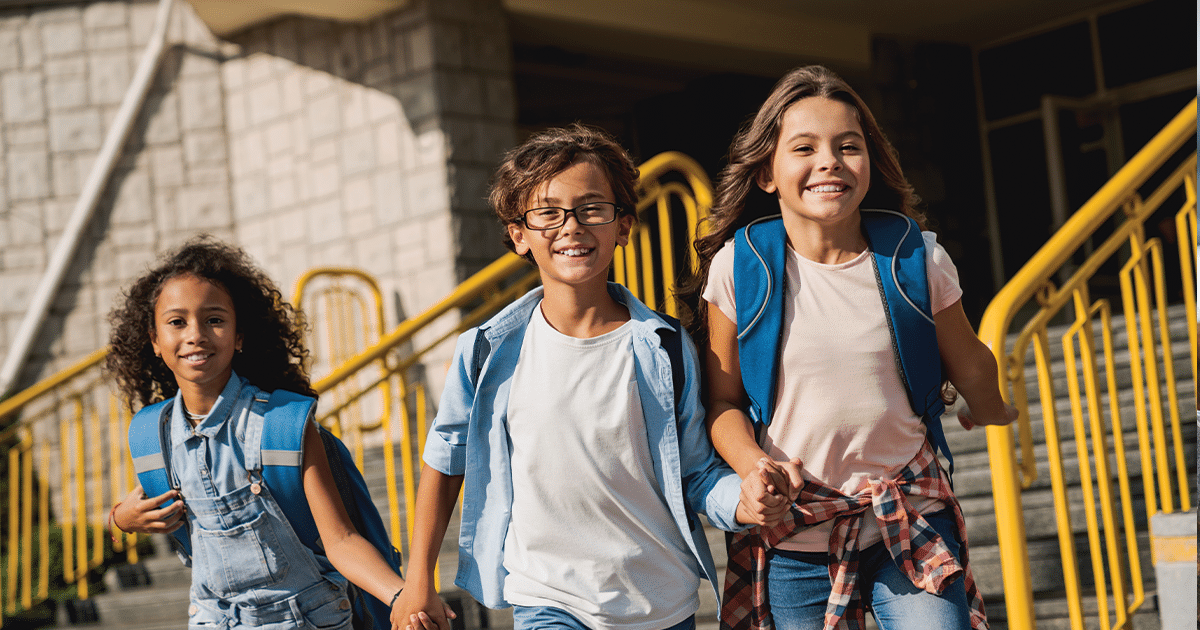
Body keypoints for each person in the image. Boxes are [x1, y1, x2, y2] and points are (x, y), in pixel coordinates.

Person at [394, 124, 788, 630]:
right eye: (548, 212)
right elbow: (444, 462)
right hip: (546, 598)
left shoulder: (666, 347)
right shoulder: (487, 351)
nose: (571, 226)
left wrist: (744, 500)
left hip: (660, 603)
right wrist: (418, 580)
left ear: (623, 227)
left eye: (592, 209)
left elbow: (695, 472)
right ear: (520, 235)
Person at [687, 65, 1019, 630]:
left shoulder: (918, 259)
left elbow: (972, 365)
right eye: (804, 148)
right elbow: (722, 404)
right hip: (796, 530)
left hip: (909, 515)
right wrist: (754, 466)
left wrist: (989, 406)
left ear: (872, 162)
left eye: (848, 146)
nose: (829, 162)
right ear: (766, 172)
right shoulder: (739, 270)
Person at [105, 236, 454, 630]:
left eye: (214, 320)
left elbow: (339, 540)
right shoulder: (152, 434)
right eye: (176, 322)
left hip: (307, 619)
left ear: (239, 336)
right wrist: (120, 520)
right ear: (154, 340)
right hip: (211, 620)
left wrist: (401, 595)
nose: (195, 334)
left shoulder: (284, 425)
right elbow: (131, 513)